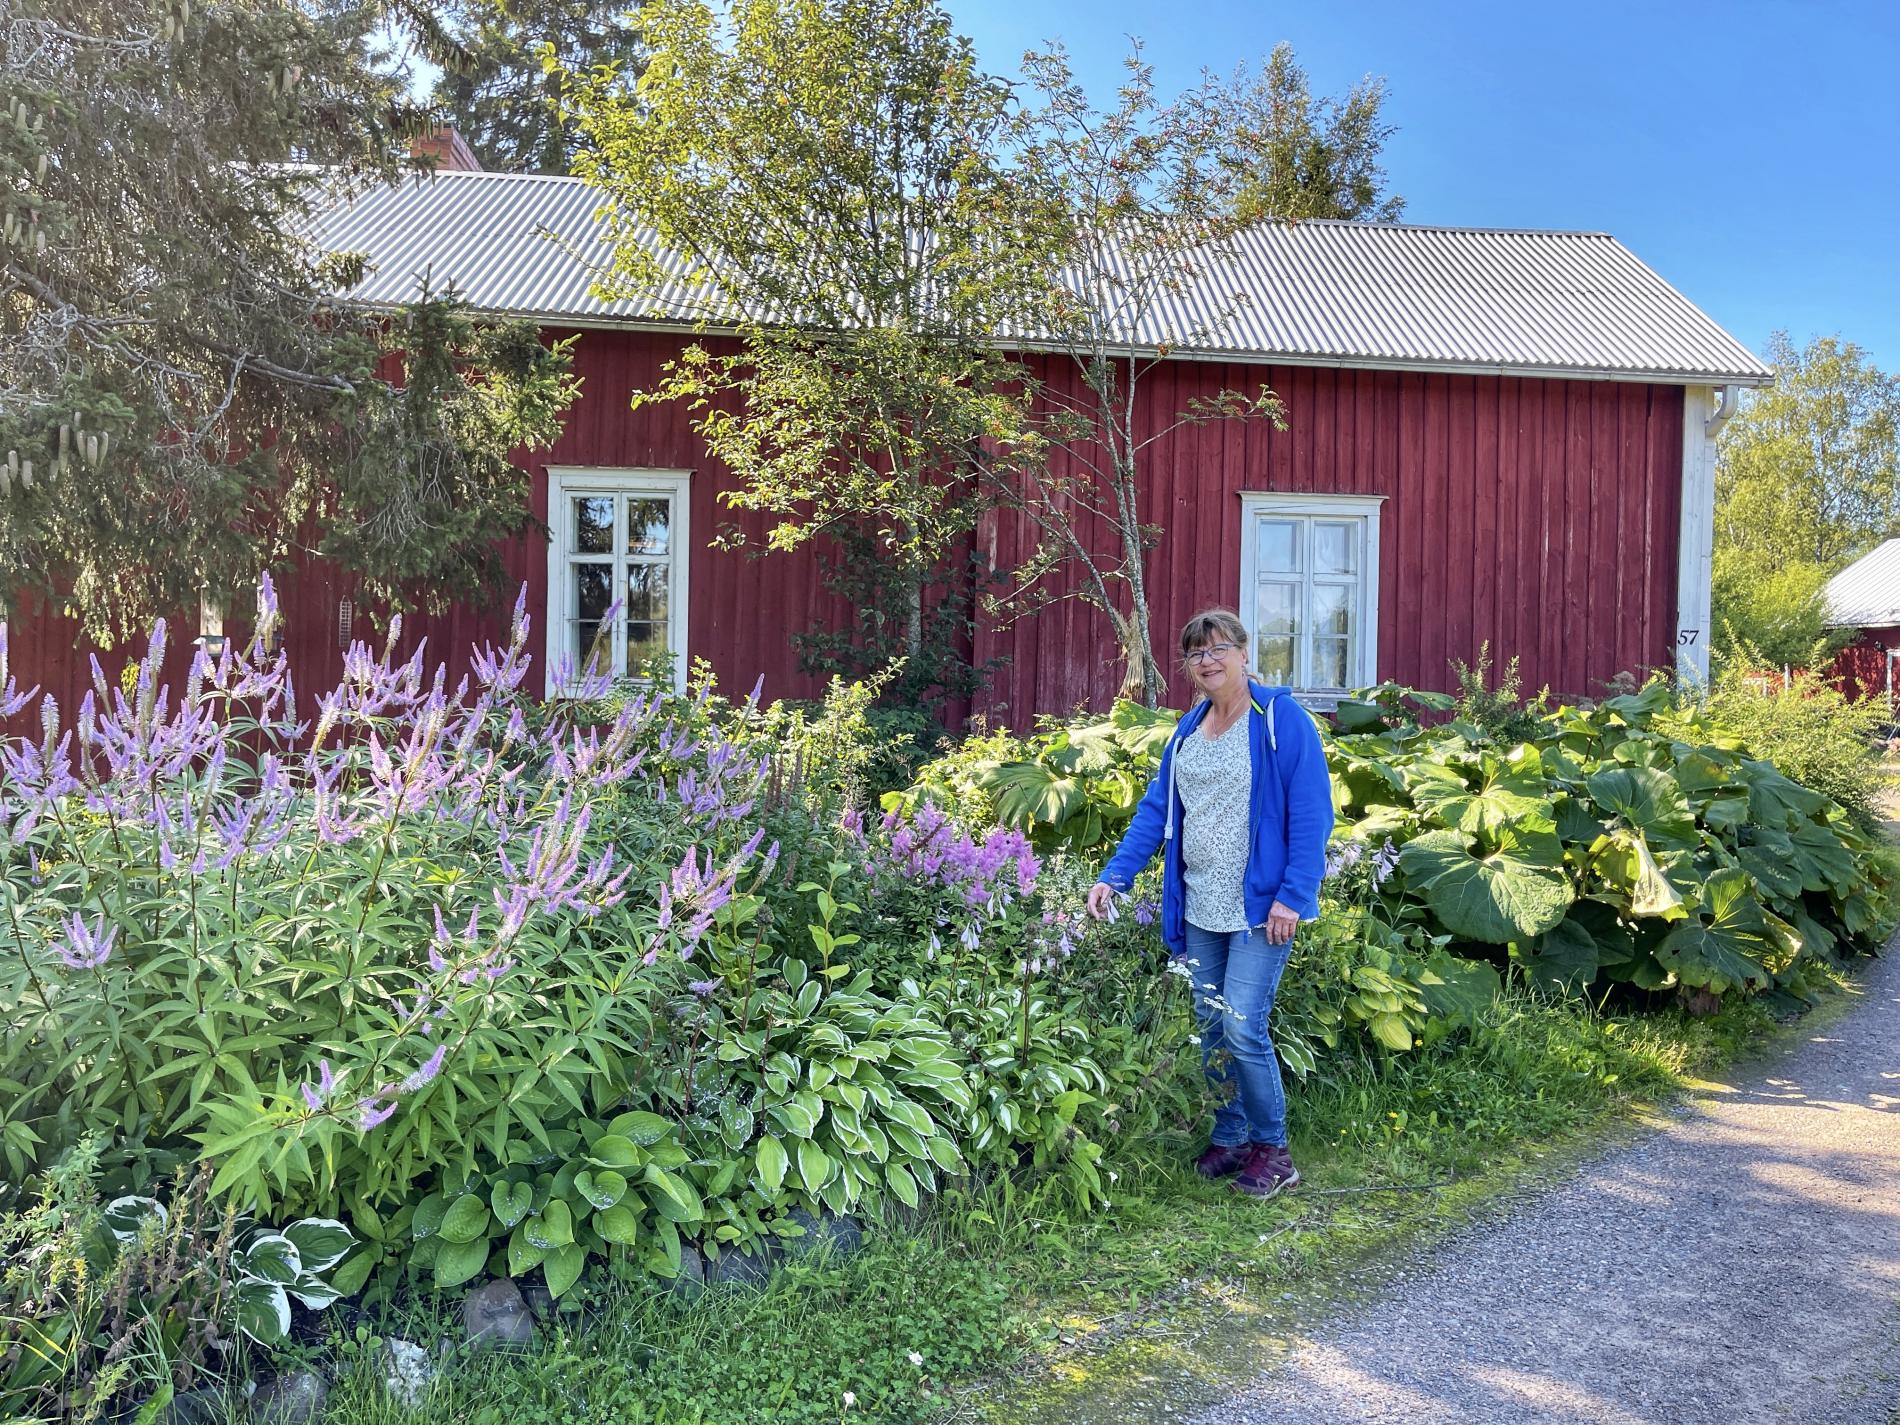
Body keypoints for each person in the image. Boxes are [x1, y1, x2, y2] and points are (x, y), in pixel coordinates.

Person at [1085, 609, 1334, 1198]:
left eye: (1220, 648)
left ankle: (1274, 1151)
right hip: (1200, 905)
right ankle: (1232, 1138)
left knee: (1243, 1026)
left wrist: (1293, 897)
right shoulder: (1189, 730)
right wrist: (1116, 875)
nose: (1208, 660)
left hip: (1259, 907)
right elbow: (1157, 813)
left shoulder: (1280, 720)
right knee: (1211, 1029)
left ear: (1245, 653)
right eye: (1197, 653)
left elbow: (1311, 814)